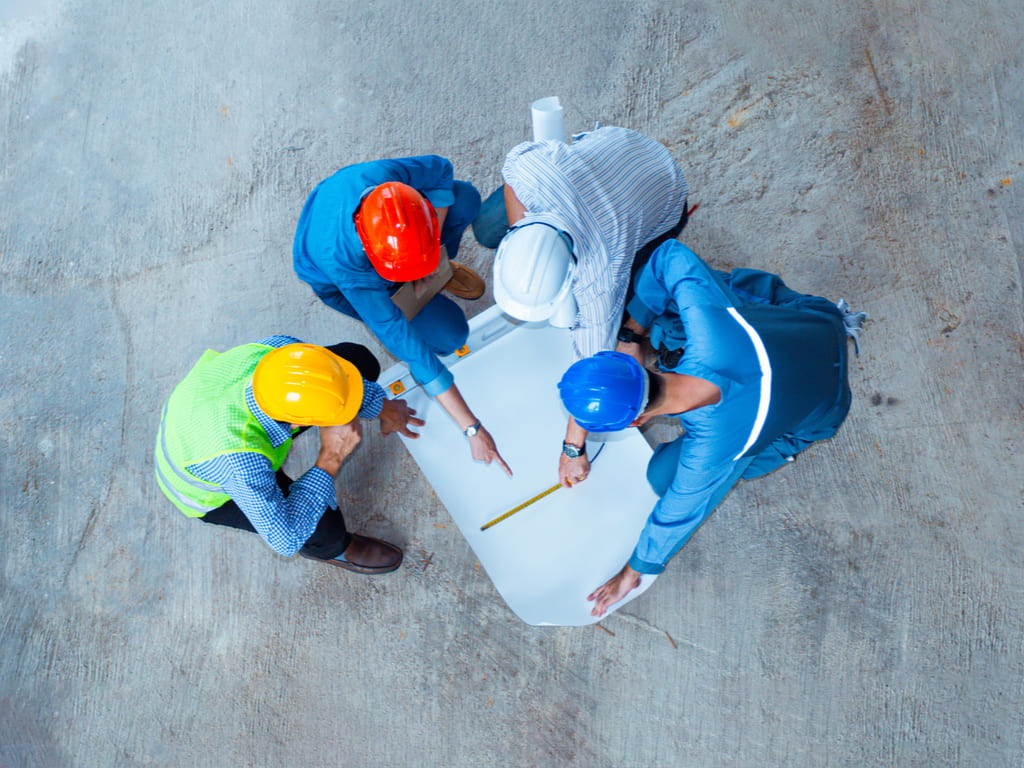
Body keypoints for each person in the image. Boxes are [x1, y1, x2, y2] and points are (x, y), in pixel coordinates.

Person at [557, 241, 867, 616]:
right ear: (641, 367)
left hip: (827, 408)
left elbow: (677, 514)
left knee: (663, 478)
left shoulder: (713, 451)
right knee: (670, 308)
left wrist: (630, 573)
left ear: (637, 421)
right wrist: (631, 334)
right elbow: (669, 255)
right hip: (817, 324)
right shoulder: (713, 330)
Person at [476, 126, 689, 488]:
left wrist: (573, 449)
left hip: (664, 191)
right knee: (485, 227)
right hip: (621, 152)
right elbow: (512, 178)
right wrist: (522, 233)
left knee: (636, 295)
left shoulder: (599, 280)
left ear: (572, 280)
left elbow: (595, 372)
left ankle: (657, 241)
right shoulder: (530, 170)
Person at [293, 156, 511, 475]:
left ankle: (438, 270)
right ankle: (426, 275)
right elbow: (415, 355)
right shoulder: (349, 269)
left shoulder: (385, 180)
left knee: (464, 198)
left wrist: (432, 250)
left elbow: (441, 171)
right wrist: (473, 429)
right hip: (346, 279)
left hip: (388, 249)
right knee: (451, 336)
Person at [155, 335, 424, 574]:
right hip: (206, 486)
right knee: (318, 524)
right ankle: (333, 549)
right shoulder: (240, 462)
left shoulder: (280, 350)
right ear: (296, 424)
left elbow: (325, 382)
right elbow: (284, 539)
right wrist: (330, 458)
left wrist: (383, 407)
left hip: (204, 412)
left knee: (357, 361)